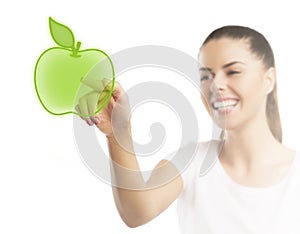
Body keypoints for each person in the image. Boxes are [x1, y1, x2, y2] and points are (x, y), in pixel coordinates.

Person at [76, 26, 300, 234]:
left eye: (233, 72)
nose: (216, 85)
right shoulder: (192, 161)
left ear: (268, 80)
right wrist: (118, 133)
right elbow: (136, 212)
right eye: (206, 76)